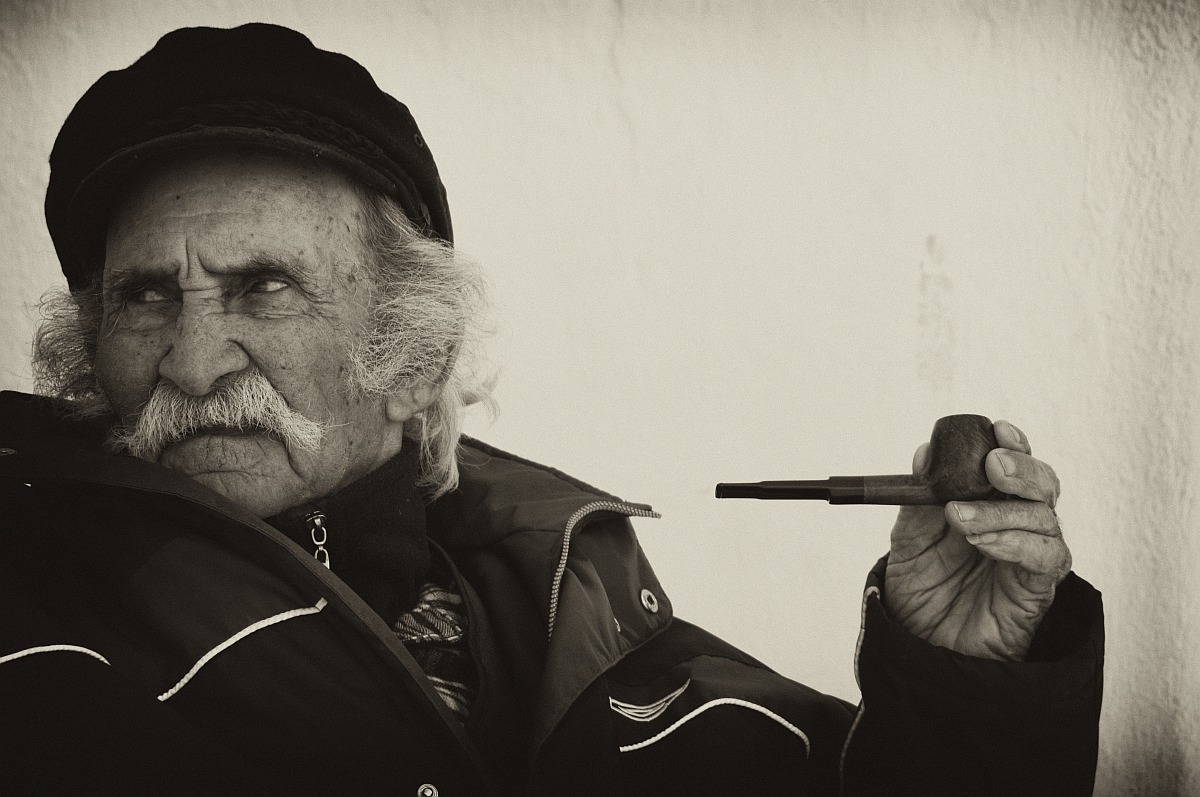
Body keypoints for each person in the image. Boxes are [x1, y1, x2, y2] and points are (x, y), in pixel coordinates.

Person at [0, 23, 1102, 796]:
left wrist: (964, 682)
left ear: (409, 344)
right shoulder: (37, 624)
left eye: (262, 287)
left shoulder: (602, 630)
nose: (191, 361)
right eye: (145, 296)